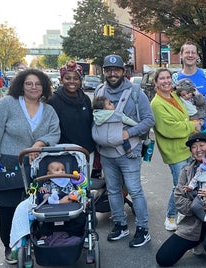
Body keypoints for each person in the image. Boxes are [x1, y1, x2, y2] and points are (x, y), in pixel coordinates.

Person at [0, 68, 60, 264]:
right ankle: (10, 245)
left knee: (38, 203)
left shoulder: (48, 110)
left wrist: (39, 144)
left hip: (37, 164)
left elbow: (54, 133)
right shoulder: (8, 104)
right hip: (10, 163)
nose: (34, 87)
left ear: (44, 87)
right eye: (29, 83)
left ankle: (34, 241)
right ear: (21, 86)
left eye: (38, 84)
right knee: (9, 206)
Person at [93, 54, 155, 248]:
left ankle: (143, 230)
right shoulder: (99, 90)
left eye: (116, 70)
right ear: (104, 72)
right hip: (106, 153)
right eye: (108, 70)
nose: (112, 73)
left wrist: (129, 133)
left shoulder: (136, 93)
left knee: (135, 191)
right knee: (112, 191)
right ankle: (120, 225)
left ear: (123, 72)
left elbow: (149, 120)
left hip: (130, 153)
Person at [156, 132, 206, 267]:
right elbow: (178, 198)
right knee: (163, 259)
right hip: (194, 221)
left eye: (202, 145)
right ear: (191, 151)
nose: (198, 149)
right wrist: (198, 207)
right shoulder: (187, 170)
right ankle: (198, 240)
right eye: (194, 147)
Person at [149, 68, 203, 231]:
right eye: (162, 79)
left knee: (190, 183)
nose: (166, 81)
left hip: (187, 147)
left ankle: (183, 212)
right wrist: (192, 125)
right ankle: (170, 216)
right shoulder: (156, 104)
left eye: (168, 78)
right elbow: (169, 129)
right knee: (179, 186)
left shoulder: (174, 95)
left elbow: (185, 114)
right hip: (174, 151)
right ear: (155, 83)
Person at [46, 62, 100, 177]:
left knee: (84, 188)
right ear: (61, 80)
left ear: (80, 81)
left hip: (86, 152)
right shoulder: (54, 101)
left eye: (76, 78)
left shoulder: (85, 98)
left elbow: (90, 123)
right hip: (64, 153)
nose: (72, 81)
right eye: (67, 78)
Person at [174, 41, 206, 145]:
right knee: (189, 161)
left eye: (193, 52)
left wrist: (200, 97)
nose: (190, 55)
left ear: (197, 56)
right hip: (186, 133)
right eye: (187, 52)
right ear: (181, 55)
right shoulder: (175, 79)